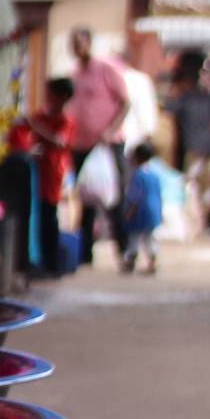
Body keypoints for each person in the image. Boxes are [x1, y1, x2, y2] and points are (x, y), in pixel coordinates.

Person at [65, 27, 131, 265]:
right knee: (85, 199)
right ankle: (85, 254)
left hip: (108, 144)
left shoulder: (105, 70)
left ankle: (124, 250)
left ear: (89, 43)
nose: (77, 48)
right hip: (82, 144)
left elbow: (125, 103)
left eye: (80, 43)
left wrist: (110, 131)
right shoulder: (75, 75)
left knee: (114, 199)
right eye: (73, 44)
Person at [15, 77, 77, 277]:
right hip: (38, 173)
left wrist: (35, 126)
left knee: (50, 217)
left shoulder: (64, 120)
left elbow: (59, 141)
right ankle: (40, 261)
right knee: (40, 217)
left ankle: (52, 264)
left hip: (53, 174)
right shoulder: (43, 115)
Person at [165, 53, 210, 233]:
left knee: (194, 187)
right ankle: (203, 222)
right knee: (206, 188)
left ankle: (199, 223)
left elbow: (168, 109)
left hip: (196, 149)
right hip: (209, 148)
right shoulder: (208, 97)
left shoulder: (187, 98)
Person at [122, 142, 164, 275]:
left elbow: (135, 196)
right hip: (153, 212)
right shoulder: (154, 174)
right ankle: (152, 262)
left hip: (140, 212)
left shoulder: (138, 175)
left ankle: (130, 262)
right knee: (150, 238)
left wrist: (129, 212)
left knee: (134, 238)